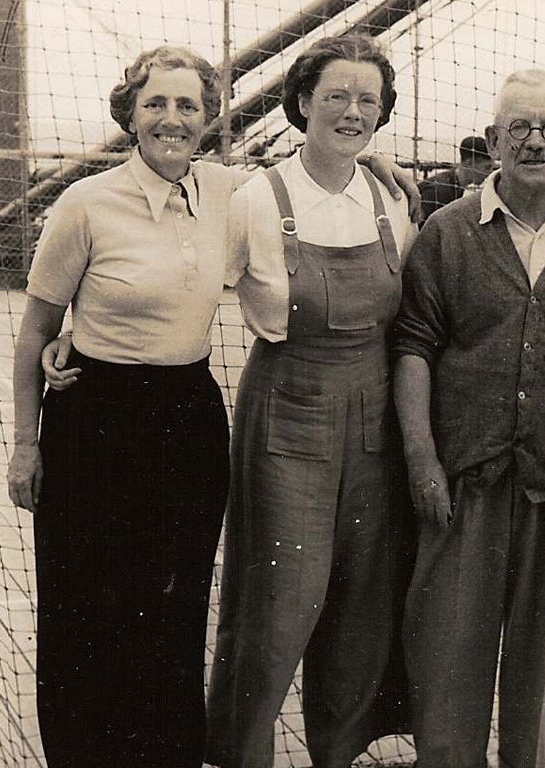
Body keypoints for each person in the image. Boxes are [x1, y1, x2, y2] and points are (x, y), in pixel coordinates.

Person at [7, 44, 416, 768]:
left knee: (175, 608)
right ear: (130, 112)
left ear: (208, 120)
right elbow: (37, 327)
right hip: (95, 417)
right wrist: (27, 439)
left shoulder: (231, 193)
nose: (173, 119)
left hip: (186, 417)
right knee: (85, 611)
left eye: (188, 106)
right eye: (157, 103)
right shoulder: (86, 203)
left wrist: (381, 166)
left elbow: (316, 173)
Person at [392, 69, 545, 768]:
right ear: (495, 139)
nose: (535, 141)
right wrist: (423, 461)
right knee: (448, 671)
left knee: (540, 678)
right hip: (465, 484)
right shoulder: (446, 234)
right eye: (519, 128)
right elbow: (412, 346)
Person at [204, 34, 416, 768]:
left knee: (362, 605)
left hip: (375, 422)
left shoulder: (393, 196)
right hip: (287, 419)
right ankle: (240, 756)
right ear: (301, 104)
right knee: (279, 607)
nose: (352, 112)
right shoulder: (255, 199)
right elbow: (188, 288)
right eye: (336, 97)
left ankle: (337, 755)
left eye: (367, 100)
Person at [418, 134, 493, 222]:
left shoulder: (453, 184)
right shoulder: (440, 191)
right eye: (487, 167)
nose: (490, 173)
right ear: (469, 163)